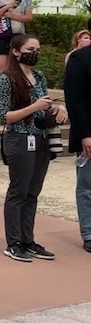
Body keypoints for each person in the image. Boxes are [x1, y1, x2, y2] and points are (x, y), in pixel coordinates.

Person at [0, 34, 66, 262]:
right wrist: (33, 107)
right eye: (30, 48)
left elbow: (44, 106)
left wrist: (56, 108)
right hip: (19, 138)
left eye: (37, 48)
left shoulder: (39, 76)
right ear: (16, 51)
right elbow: (3, 116)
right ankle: (13, 242)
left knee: (33, 192)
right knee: (18, 190)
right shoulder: (7, 79)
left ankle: (28, 239)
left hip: (41, 138)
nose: (35, 52)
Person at [63, 17, 91, 254]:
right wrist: (85, 134)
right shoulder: (79, 59)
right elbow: (75, 100)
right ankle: (89, 233)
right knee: (87, 186)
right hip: (89, 133)